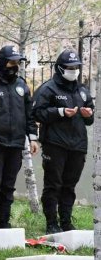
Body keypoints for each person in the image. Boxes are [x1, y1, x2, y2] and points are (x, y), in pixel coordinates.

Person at [0, 45, 38, 229]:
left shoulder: (21, 85)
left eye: (18, 62)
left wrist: (32, 137)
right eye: (12, 62)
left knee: (9, 184)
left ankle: (4, 221)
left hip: (16, 143)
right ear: (2, 62)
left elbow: (29, 114)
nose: (15, 66)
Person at [32, 49, 94, 234]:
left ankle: (66, 221)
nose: (73, 70)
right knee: (53, 184)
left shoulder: (82, 90)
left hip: (78, 145)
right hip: (55, 144)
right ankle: (51, 222)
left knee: (69, 185)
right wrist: (59, 112)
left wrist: (87, 114)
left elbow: (90, 118)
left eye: (76, 67)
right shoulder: (48, 88)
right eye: (69, 67)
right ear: (60, 68)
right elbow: (37, 113)